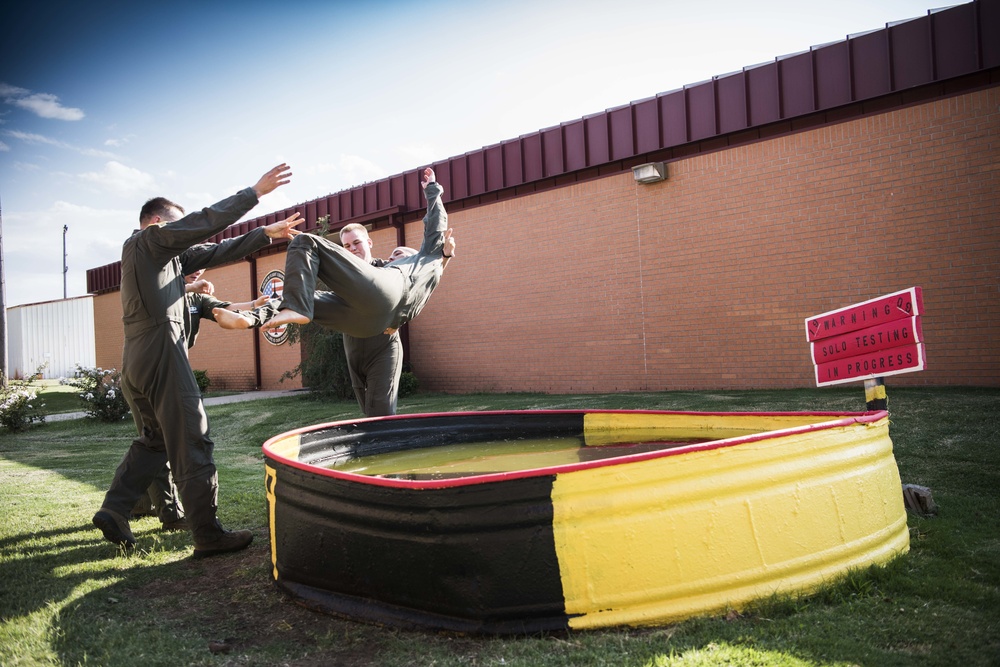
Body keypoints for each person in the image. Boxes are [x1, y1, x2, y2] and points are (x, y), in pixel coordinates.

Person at [93, 163, 302, 557]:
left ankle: (114, 510)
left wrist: (263, 233)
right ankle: (208, 535)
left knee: (154, 441)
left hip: (135, 360)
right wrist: (254, 193)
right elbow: (203, 225)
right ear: (156, 224)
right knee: (192, 439)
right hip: (160, 352)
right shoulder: (150, 242)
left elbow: (215, 249)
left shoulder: (158, 258)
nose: (180, 235)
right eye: (176, 227)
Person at [214, 167, 453, 344]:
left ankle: (296, 308)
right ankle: (250, 319)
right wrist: (395, 320)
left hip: (384, 303)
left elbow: (436, 223)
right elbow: (409, 305)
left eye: (397, 254)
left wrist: (432, 190)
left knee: (304, 241)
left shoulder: (425, 258)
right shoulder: (403, 279)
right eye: (391, 255)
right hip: (366, 325)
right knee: (303, 295)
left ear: (414, 255)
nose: (391, 258)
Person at [132, 271, 270, 526]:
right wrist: (193, 286)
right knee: (158, 440)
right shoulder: (159, 287)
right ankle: (170, 514)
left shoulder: (198, 299)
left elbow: (224, 308)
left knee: (156, 439)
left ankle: (139, 502)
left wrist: (254, 305)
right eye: (192, 264)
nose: (198, 270)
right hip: (150, 372)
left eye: (202, 267)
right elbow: (163, 292)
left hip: (174, 370)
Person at [335, 224, 454, 416]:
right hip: (353, 350)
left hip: (383, 347)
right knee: (367, 412)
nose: (352, 248)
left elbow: (422, 280)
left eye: (356, 242)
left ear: (369, 242)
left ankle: (389, 444)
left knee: (380, 411)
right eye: (347, 246)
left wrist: (444, 257)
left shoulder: (386, 268)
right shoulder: (343, 274)